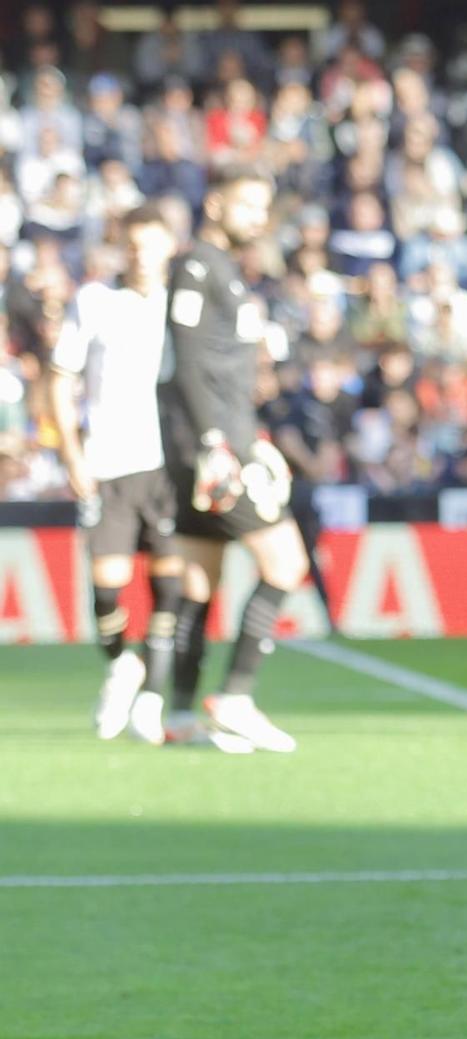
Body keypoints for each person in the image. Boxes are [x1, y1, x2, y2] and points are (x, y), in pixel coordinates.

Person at [158, 166, 311, 753]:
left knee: (200, 581)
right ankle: (237, 697)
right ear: (215, 204)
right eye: (247, 204)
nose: (257, 217)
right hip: (215, 447)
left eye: (262, 206)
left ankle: (179, 714)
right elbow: (188, 364)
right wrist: (215, 445)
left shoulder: (227, 273)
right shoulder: (198, 267)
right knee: (286, 563)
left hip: (218, 440)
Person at [49, 202, 182, 744]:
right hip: (109, 465)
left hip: (168, 467)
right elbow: (61, 379)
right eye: (132, 244)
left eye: (152, 243)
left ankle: (152, 697)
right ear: (120, 247)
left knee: (172, 587)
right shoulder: (95, 300)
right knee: (108, 586)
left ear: (169, 246)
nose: (141, 254)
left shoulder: (182, 306)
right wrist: (73, 455)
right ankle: (122, 664)